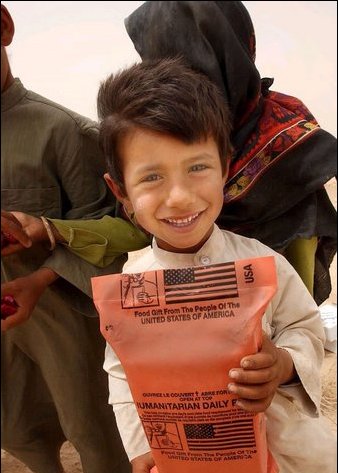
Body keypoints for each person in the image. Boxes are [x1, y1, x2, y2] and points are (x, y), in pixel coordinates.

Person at [95, 57, 336, 473]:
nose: (180, 196)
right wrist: (140, 450)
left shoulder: (263, 264)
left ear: (226, 167)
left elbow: (306, 327)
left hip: (279, 458)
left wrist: (282, 362)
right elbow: (121, 372)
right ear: (120, 191)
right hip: (190, 467)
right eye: (151, 177)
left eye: (197, 167)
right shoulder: (131, 287)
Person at [7, 1, 335, 306]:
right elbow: (135, 228)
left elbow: (298, 313)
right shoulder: (148, 140)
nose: (179, 198)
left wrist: (282, 358)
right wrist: (48, 228)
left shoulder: (291, 153)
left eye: (195, 61)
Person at [1, 5, 134, 473]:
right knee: (11, 411)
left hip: (57, 302)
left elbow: (110, 226)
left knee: (83, 412)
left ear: (5, 27)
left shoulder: (62, 130)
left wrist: (38, 278)